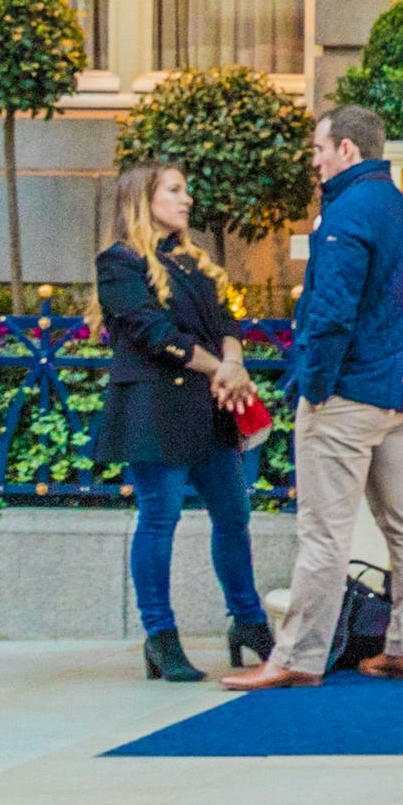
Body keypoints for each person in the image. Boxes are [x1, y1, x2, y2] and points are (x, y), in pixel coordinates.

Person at [224, 104, 403, 690]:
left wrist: (316, 387)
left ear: (348, 150)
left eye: (319, 150)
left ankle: (297, 657)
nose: (315, 161)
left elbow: (329, 316)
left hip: (349, 394)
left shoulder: (344, 217)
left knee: (324, 533)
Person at [95, 158, 270, 682]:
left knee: (234, 516)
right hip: (154, 408)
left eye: (185, 190)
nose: (186, 198)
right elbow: (152, 332)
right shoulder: (119, 261)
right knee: (159, 519)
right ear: (142, 199)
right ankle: (161, 636)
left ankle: (249, 622)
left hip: (210, 404)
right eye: (174, 190)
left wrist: (233, 364)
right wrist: (223, 367)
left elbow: (226, 321)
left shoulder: (195, 262)